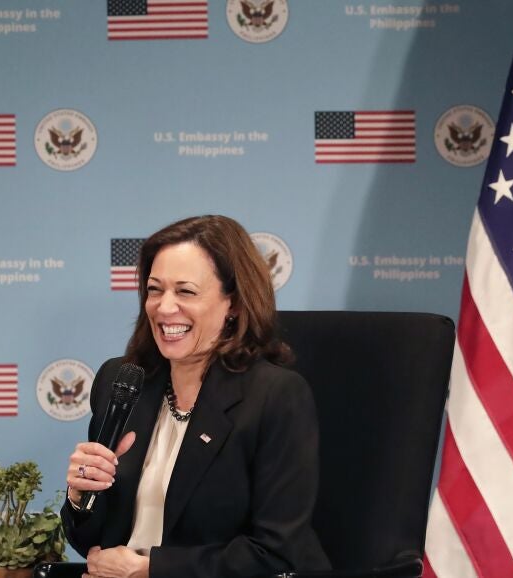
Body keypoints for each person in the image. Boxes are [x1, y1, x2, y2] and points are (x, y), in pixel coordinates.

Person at [62, 215, 330, 578]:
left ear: (234, 304)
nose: (164, 307)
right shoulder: (122, 381)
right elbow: (92, 542)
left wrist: (151, 570)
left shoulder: (275, 397)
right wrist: (81, 497)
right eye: (155, 290)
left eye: (185, 291)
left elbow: (276, 553)